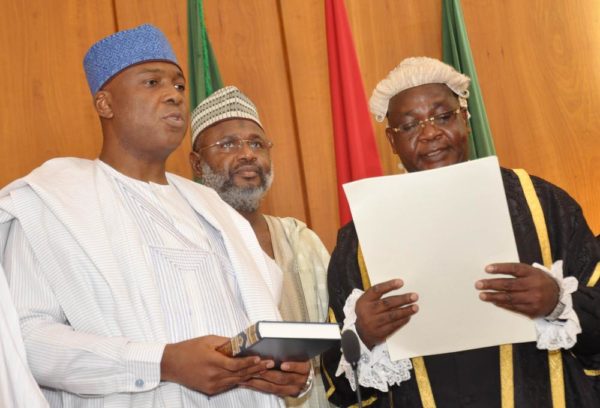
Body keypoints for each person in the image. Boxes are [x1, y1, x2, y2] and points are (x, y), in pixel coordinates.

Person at [0, 24, 311, 407]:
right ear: (105, 104)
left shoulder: (216, 210)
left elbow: (257, 325)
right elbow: (26, 338)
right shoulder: (50, 202)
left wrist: (284, 372)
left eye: (179, 86)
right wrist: (162, 363)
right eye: (152, 83)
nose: (173, 97)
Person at [321, 56, 600, 407]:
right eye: (409, 126)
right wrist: (361, 336)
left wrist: (558, 301)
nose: (429, 133)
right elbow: (336, 385)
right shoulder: (359, 240)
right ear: (391, 141)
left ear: (465, 120)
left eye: (442, 116)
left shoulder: (541, 204)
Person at [189, 86, 331, 408]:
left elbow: (338, 338)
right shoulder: (189, 246)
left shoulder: (301, 240)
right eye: (228, 144)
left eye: (256, 143)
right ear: (197, 164)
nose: (247, 154)